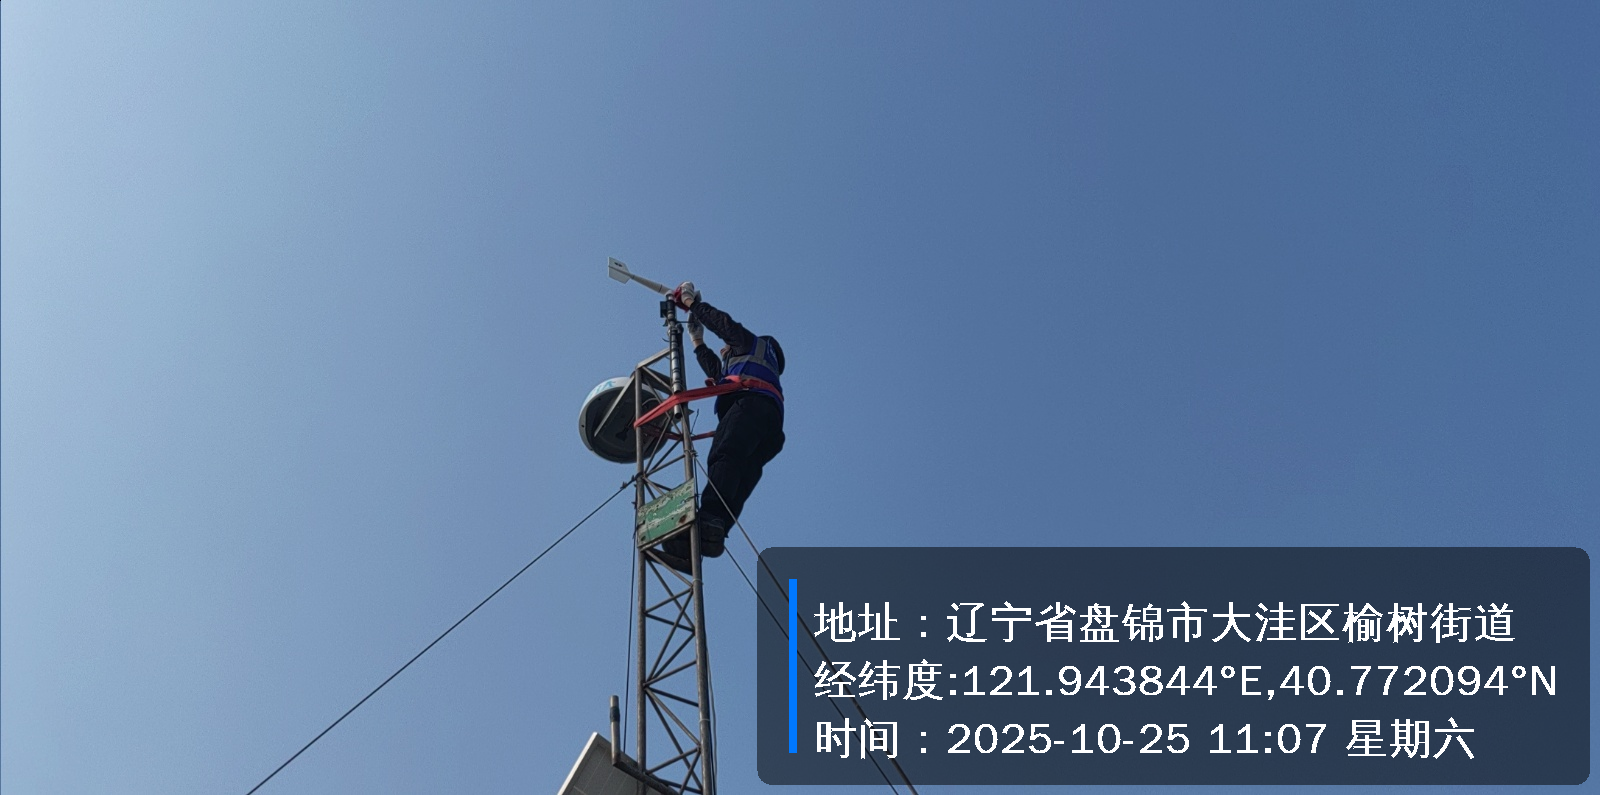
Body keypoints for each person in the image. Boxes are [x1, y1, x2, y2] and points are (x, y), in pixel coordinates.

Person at [657, 282, 785, 573]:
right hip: (770, 425)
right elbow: (719, 374)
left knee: (724, 455)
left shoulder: (752, 344)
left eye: (727, 348)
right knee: (741, 476)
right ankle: (711, 533)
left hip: (749, 405)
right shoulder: (757, 366)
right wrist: (697, 341)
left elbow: (724, 325)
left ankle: (709, 519)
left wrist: (692, 303)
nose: (724, 349)